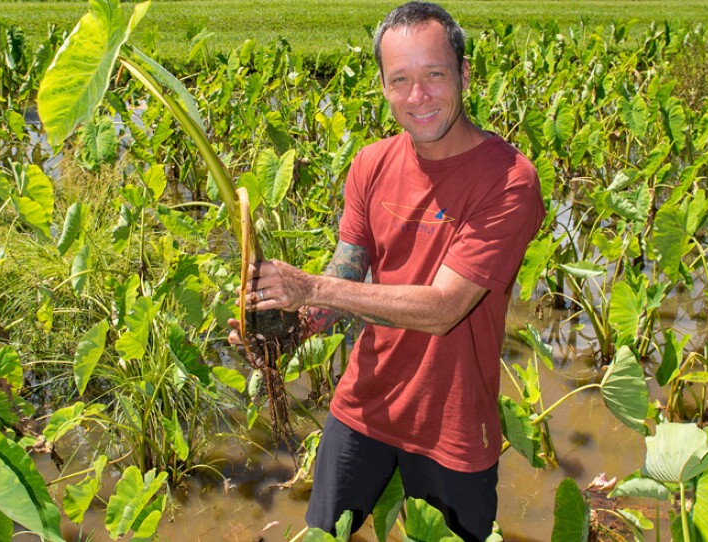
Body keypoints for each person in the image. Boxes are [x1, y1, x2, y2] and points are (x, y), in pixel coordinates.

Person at [233, 2, 545, 540]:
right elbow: (347, 271)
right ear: (382, 85)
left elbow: (444, 308)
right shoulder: (371, 164)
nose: (418, 97)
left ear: (465, 75)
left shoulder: (509, 180)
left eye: (434, 75)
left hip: (452, 424)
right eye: (400, 79)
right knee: (323, 534)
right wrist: (290, 326)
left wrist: (308, 284)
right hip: (364, 405)